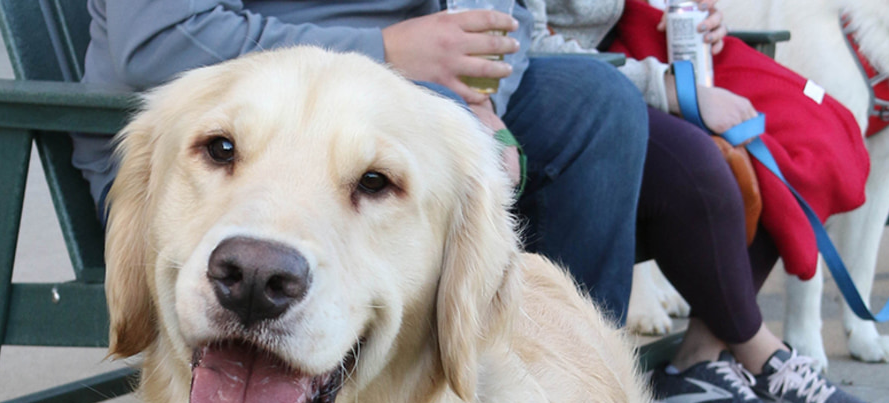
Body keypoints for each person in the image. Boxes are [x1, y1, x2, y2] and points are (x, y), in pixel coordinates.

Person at [70, 0, 647, 325]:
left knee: (601, 108)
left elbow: (499, 11)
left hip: (414, 98)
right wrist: (388, 54)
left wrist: (481, 101)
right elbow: (159, 40)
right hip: (217, 149)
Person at [530, 0, 883, 403]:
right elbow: (524, 41)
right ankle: (765, 355)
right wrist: (671, 88)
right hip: (565, 88)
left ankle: (699, 361)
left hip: (641, 52)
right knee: (712, 164)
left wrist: (695, 18)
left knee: (814, 130)